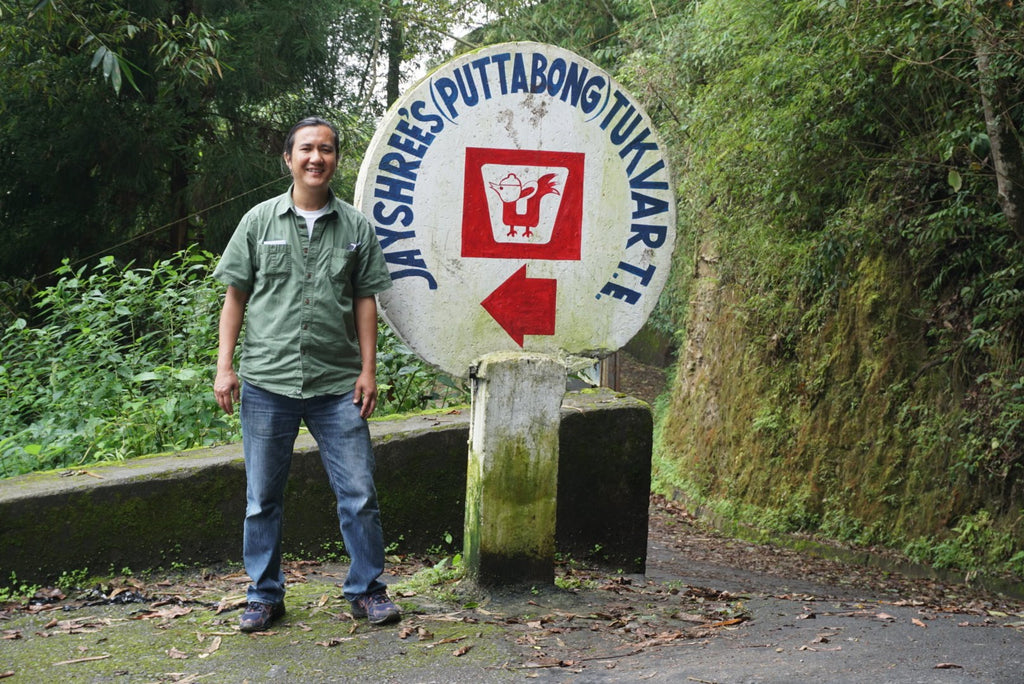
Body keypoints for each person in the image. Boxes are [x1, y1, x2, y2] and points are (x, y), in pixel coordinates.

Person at [212, 116, 400, 632]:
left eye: (327, 150)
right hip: (267, 383)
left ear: (336, 159)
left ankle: (367, 590)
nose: (316, 158)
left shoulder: (356, 228)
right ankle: (263, 596)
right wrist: (224, 368)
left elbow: (365, 302)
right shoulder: (258, 222)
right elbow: (235, 298)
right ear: (289, 159)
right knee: (261, 499)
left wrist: (368, 371)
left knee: (359, 493)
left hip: (337, 384)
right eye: (307, 149)